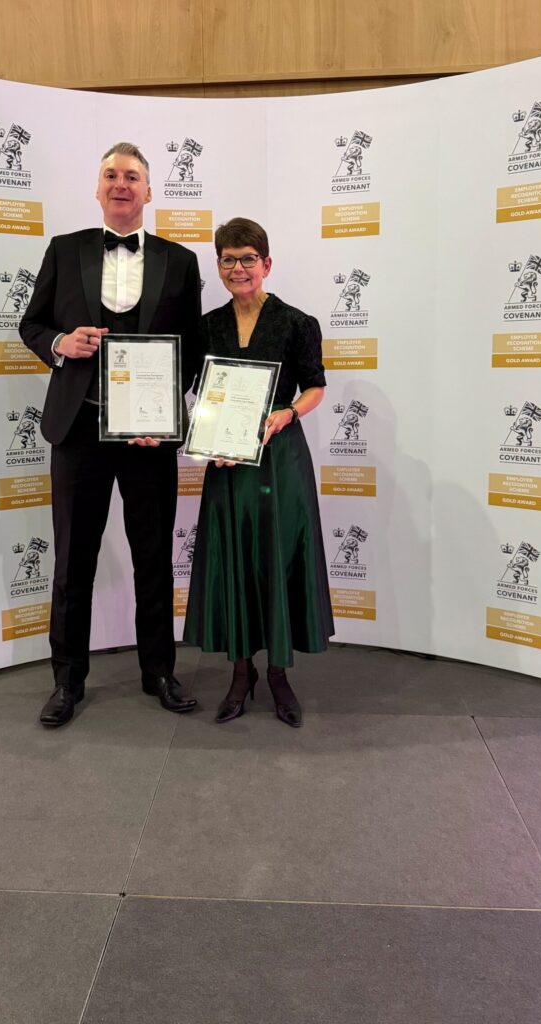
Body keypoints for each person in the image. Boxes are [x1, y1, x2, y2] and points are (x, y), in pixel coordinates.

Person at [20, 142, 201, 727]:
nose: (121, 184)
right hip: (78, 428)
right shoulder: (64, 249)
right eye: (111, 175)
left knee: (153, 555)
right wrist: (58, 344)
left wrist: (167, 416)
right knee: (73, 559)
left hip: (148, 437)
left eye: (133, 176)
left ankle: (160, 672)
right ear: (97, 189)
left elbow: (193, 352)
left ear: (149, 191)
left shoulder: (181, 261)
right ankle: (67, 681)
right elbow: (31, 323)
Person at [183, 218, 334, 727]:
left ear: (266, 264)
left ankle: (278, 675)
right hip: (227, 464)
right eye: (228, 259)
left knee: (277, 557)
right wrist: (206, 432)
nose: (239, 268)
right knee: (234, 560)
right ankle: (241, 673)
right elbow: (198, 392)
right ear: (219, 266)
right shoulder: (207, 326)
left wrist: (289, 412)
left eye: (248, 258)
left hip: (280, 459)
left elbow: (315, 386)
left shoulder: (297, 323)